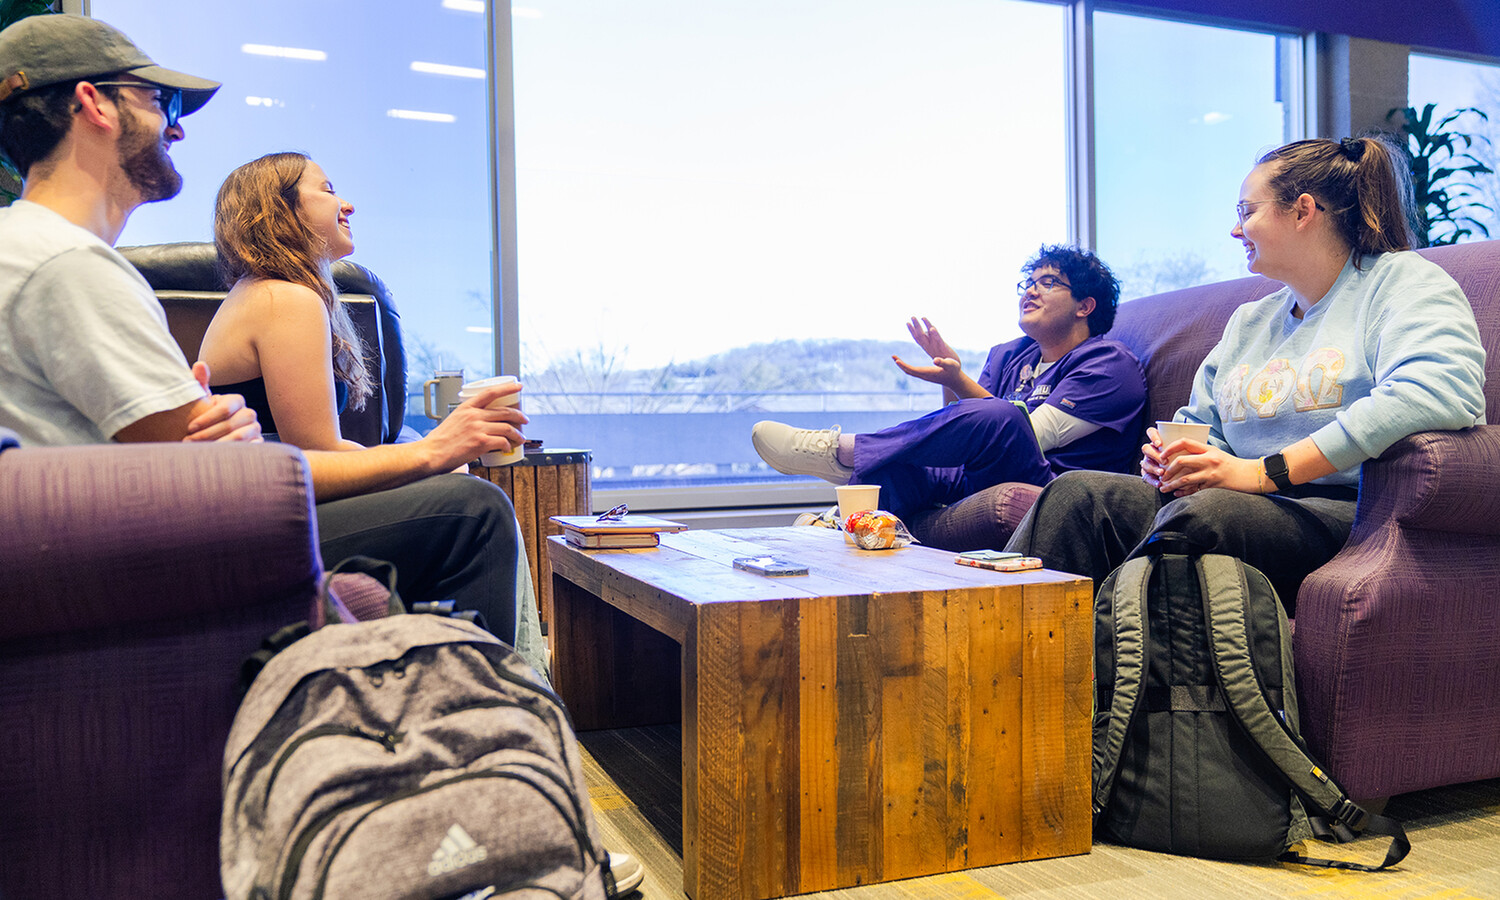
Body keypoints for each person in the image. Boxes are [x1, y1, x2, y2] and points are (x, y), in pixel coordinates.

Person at [0, 14, 546, 678]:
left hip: (82, 545)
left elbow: (189, 448)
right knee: (472, 510)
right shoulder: (68, 264)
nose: (176, 127)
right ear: (94, 104)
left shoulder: (32, 250)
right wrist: (432, 452)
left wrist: (222, 436)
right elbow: (214, 477)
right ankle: (486, 727)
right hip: (125, 556)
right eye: (159, 101)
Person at [1004, 135, 1486, 612]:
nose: (1236, 231)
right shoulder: (1250, 321)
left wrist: (1261, 473)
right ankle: (1005, 668)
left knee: (1205, 515)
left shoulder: (1402, 281)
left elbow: (1437, 392)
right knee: (1077, 495)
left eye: (1246, 213)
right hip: (1235, 499)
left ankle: (1115, 672)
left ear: (1302, 211)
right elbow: (1202, 427)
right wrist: (1180, 460)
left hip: (1344, 512)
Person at [750, 245, 1148, 520]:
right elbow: (960, 439)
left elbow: (1026, 433)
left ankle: (839, 450)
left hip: (1052, 487)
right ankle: (838, 524)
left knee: (1003, 417)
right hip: (978, 474)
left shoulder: (1109, 364)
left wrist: (961, 380)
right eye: (1028, 281)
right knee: (896, 467)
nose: (1030, 290)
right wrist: (950, 379)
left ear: (1085, 305)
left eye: (1047, 282)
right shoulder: (1010, 354)